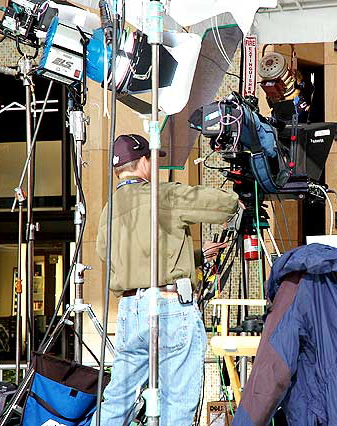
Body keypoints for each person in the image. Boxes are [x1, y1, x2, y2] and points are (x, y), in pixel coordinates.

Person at [94, 134, 239, 425]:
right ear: (144, 162)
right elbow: (224, 205)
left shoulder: (109, 210)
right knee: (178, 402)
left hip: (130, 309)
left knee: (118, 398)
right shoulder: (163, 194)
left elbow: (113, 256)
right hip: (170, 307)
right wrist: (239, 192)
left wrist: (194, 255)